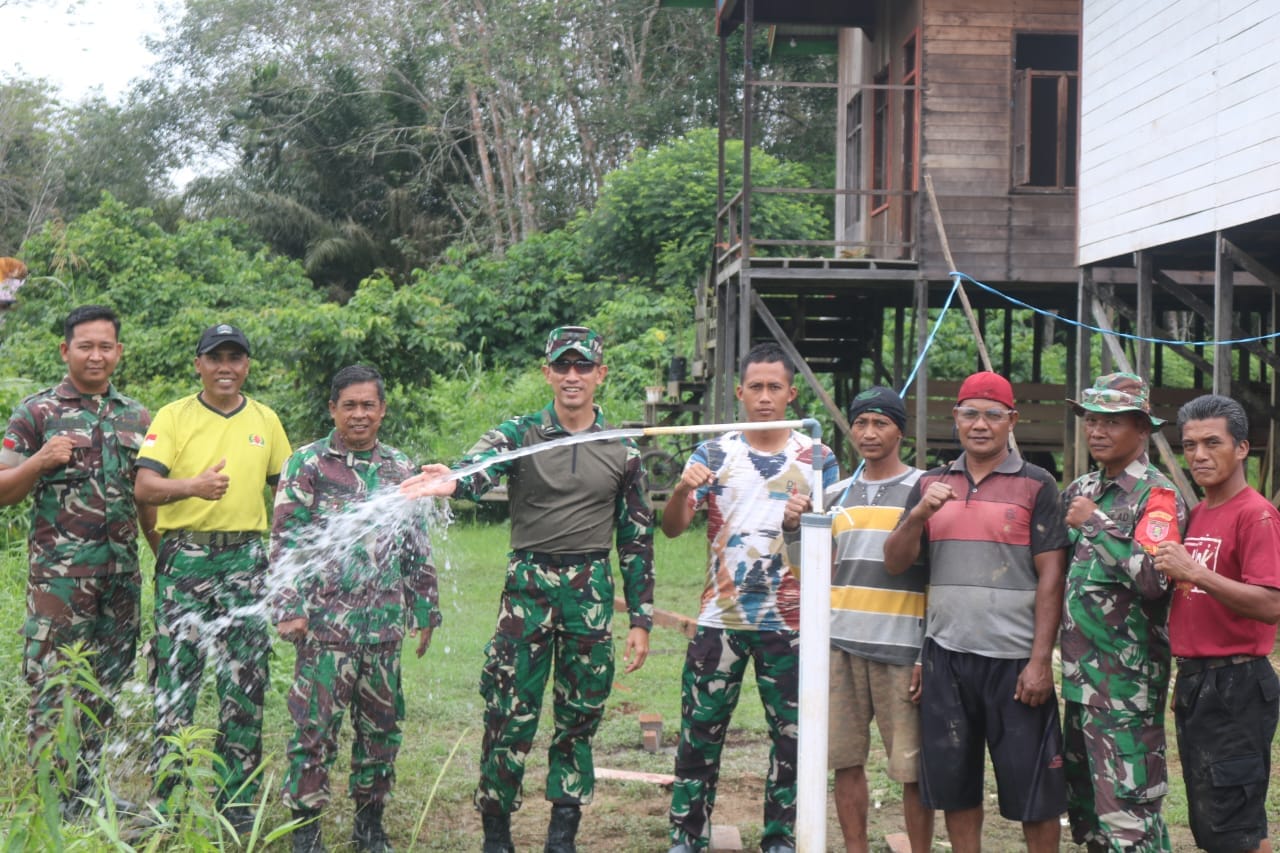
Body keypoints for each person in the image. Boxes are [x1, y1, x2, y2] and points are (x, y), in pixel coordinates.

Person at [400, 325, 654, 853]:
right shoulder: (519, 434)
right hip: (528, 589)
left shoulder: (623, 450)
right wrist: (453, 479)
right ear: (547, 373)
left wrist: (641, 619)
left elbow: (635, 538)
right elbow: (477, 469)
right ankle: (497, 834)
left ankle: (562, 834)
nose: (572, 375)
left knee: (579, 715)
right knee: (508, 711)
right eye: (562, 365)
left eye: (583, 366)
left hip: (589, 590)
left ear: (600, 374)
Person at [661, 342, 838, 853]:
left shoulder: (817, 457)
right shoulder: (714, 453)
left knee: (792, 740)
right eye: (755, 387)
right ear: (739, 392)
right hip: (721, 619)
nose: (764, 397)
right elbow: (672, 528)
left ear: (790, 394)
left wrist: (803, 521)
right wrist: (681, 490)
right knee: (699, 735)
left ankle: (780, 839)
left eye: (774, 387)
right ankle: (687, 837)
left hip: (790, 624)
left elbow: (826, 549)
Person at [882, 371, 1068, 853]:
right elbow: (895, 562)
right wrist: (919, 514)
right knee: (956, 788)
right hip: (947, 656)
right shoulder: (931, 483)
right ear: (956, 418)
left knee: (1035, 793)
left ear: (1012, 421)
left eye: (992, 415)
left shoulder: (1038, 484)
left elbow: (1052, 577)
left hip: (1015, 661)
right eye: (970, 414)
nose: (980, 425)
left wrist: (1040, 661)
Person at [271, 365, 441, 853]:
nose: (359, 414)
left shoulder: (399, 468)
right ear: (333, 409)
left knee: (381, 731)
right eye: (350, 405)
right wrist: (290, 606)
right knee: (314, 731)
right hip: (325, 628)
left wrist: (425, 607)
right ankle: (306, 832)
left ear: (382, 410)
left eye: (369, 405)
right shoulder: (307, 464)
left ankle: (370, 826)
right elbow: (287, 540)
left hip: (383, 626)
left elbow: (415, 543)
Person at [134, 322, 291, 829]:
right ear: (198, 364)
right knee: (176, 680)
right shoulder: (174, 416)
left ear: (247, 365)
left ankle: (237, 803)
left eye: (235, 358)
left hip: (246, 562)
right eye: (215, 358)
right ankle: (168, 802)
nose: (226, 367)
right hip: (187, 561)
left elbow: (288, 493)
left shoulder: (265, 419)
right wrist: (192, 486)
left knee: (244, 682)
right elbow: (144, 487)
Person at [0, 304, 157, 812]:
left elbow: (145, 498)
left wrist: (162, 555)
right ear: (65, 350)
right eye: (85, 346)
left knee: (105, 686)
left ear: (119, 352)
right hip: (61, 585)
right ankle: (53, 802)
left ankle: (87, 794)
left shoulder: (138, 417)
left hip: (121, 579)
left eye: (105, 346)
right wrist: (40, 461)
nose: (96, 355)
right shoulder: (36, 413)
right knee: (55, 689)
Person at [781, 386, 933, 853]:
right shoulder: (834, 494)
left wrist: (926, 653)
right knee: (845, 762)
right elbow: (812, 573)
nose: (869, 433)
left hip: (901, 649)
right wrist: (792, 529)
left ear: (900, 432)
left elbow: (939, 576)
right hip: (840, 647)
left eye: (880, 423)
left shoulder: (925, 489)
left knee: (913, 770)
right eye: (861, 423)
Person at [1060, 373, 1187, 852]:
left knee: (1129, 821)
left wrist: (1095, 523)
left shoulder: (1157, 495)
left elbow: (1155, 580)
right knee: (1090, 816)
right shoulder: (1083, 487)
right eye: (1091, 420)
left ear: (1142, 429)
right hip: (1080, 683)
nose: (1096, 430)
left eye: (1111, 422)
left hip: (1126, 690)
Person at [1153, 395, 1280, 853]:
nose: (1199, 455)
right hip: (1200, 681)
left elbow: (1271, 604)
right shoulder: (1200, 512)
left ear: (1242, 448)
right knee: (1217, 821)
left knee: (1233, 824)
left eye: (1212, 443)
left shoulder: (1256, 515)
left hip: (1237, 683)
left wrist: (1197, 572)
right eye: (1189, 445)